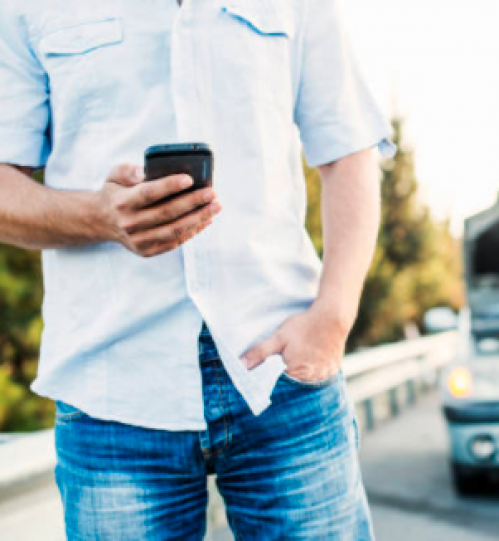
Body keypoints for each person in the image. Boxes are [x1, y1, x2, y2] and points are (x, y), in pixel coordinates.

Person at [0, 0, 395, 539]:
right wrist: (99, 216)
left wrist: (333, 315)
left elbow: (349, 149)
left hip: (284, 372)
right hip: (111, 389)